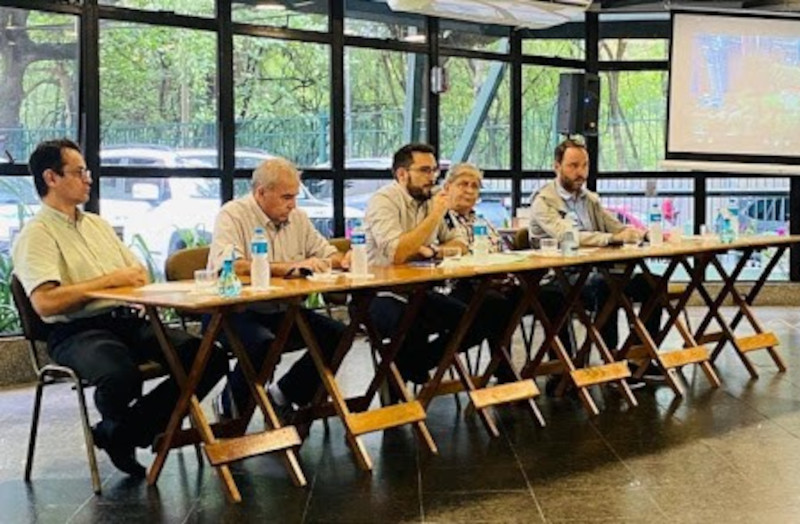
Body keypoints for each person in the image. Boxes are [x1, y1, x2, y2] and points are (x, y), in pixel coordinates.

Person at [11, 138, 226, 477]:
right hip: (76, 330)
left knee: (208, 357)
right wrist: (108, 283)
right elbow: (45, 302)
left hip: (126, 319)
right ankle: (127, 430)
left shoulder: (97, 225)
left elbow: (137, 273)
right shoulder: (36, 234)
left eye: (87, 171)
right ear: (51, 178)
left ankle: (121, 432)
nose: (89, 179)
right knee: (120, 375)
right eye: (79, 172)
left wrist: (122, 283)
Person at [207, 157, 347, 421]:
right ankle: (230, 407)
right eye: (286, 197)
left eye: (295, 197)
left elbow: (326, 252)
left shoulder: (298, 218)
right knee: (263, 343)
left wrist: (341, 260)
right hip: (232, 311)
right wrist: (288, 268)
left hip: (281, 308)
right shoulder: (233, 215)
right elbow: (231, 265)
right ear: (261, 193)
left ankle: (283, 393)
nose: (292, 204)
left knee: (338, 334)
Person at [364, 144, 507, 384]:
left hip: (420, 289)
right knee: (411, 324)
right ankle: (400, 383)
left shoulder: (432, 199)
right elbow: (398, 253)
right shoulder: (384, 201)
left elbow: (460, 243)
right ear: (402, 174)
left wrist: (433, 250)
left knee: (475, 321)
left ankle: (409, 367)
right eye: (424, 171)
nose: (432, 178)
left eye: (434, 171)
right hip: (378, 293)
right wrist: (434, 217)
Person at [529, 137, 662, 360]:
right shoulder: (543, 202)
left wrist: (645, 234)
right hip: (557, 277)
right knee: (605, 286)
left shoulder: (590, 199)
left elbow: (617, 227)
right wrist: (611, 239)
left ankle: (641, 356)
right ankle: (610, 359)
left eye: (585, 166)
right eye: (573, 166)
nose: (580, 172)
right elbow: (569, 235)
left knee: (653, 283)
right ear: (557, 166)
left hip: (595, 270)